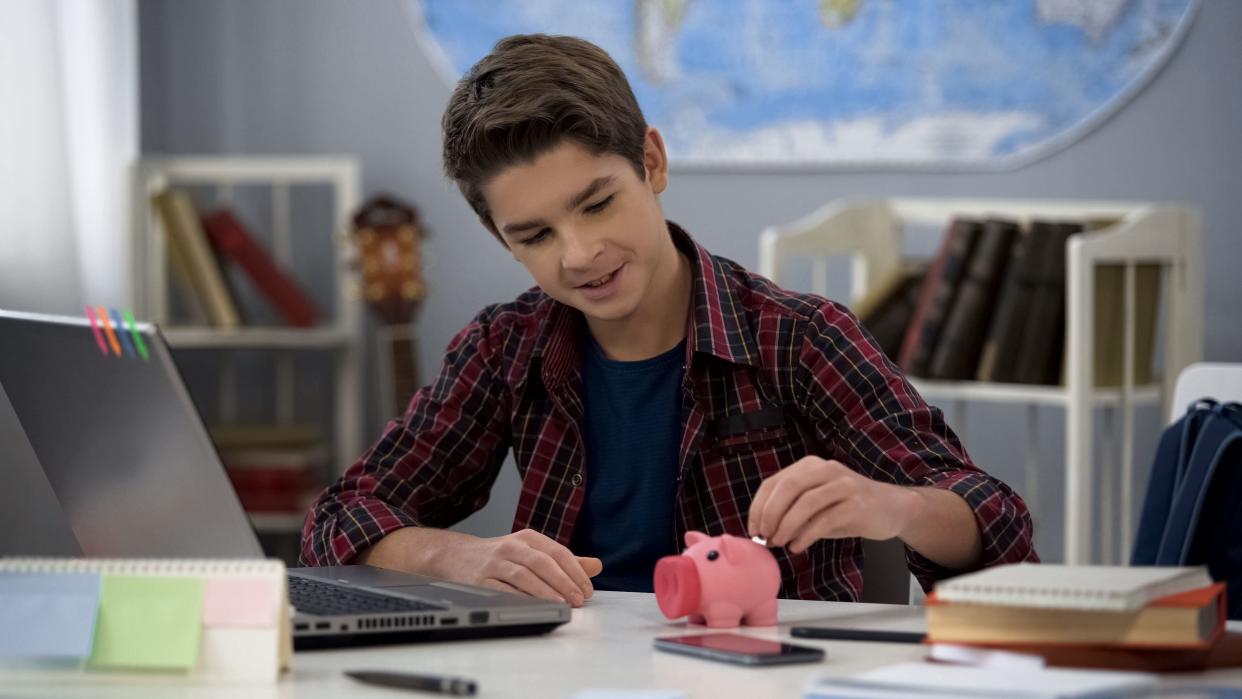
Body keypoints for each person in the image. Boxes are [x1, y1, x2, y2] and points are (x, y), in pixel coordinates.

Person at [301, 34, 1037, 606]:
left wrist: (892, 506)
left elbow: (998, 527)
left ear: (651, 162)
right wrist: (453, 555)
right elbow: (337, 519)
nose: (581, 253)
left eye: (597, 204)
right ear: (502, 239)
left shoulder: (799, 337)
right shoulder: (504, 346)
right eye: (535, 236)